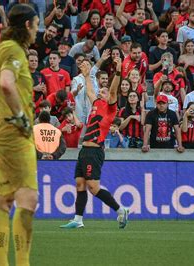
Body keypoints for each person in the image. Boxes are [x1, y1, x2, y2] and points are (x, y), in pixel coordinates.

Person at [0, 5, 39, 265]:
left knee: (2, 201)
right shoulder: (15, 51)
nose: (37, 30)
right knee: (28, 199)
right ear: (27, 25)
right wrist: (20, 116)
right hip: (15, 132)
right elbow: (6, 82)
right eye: (36, 25)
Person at [60, 57, 129, 229]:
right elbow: (90, 90)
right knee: (80, 183)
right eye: (101, 92)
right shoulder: (97, 104)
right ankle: (78, 219)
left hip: (95, 151)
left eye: (103, 92)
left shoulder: (111, 108)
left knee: (93, 186)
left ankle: (120, 210)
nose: (100, 93)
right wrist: (85, 75)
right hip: (84, 150)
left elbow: (113, 91)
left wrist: (119, 71)